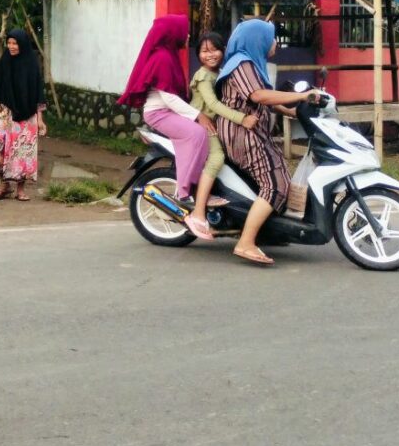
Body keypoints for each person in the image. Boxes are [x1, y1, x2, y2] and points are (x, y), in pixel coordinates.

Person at [215, 19, 319, 266]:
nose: (275, 42)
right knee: (276, 185)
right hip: (243, 134)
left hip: (254, 132)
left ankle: (267, 230)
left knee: (280, 172)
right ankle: (246, 242)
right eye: (272, 37)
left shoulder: (252, 63)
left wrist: (293, 111)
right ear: (257, 39)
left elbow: (265, 100)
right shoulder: (241, 63)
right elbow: (258, 95)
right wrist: (301, 95)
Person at [119, 15, 212, 208]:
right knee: (197, 134)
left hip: (167, 111)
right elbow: (169, 97)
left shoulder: (169, 55)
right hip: (159, 113)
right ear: (173, 33)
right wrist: (198, 116)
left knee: (203, 136)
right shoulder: (162, 58)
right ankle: (185, 193)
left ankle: (196, 185)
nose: (187, 35)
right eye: (183, 31)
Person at [183, 32, 259, 241]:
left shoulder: (222, 72)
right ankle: (198, 212)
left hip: (217, 125)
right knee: (217, 159)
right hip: (203, 126)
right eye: (204, 51)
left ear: (223, 50)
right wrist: (242, 118)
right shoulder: (203, 76)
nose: (210, 55)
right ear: (198, 54)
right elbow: (214, 105)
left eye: (214, 49)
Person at [0, 28, 47, 201]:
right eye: (9, 43)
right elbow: (0, 88)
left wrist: (40, 120)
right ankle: (4, 185)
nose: (11, 46)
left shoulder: (31, 63)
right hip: (6, 112)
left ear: (22, 43)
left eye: (15, 43)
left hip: (27, 115)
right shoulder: (5, 61)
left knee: (23, 151)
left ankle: (20, 189)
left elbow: (38, 92)